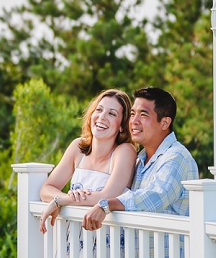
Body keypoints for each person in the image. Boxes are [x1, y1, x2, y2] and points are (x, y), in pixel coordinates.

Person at [80, 86, 198, 231]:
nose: (134, 121)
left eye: (143, 115)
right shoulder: (139, 159)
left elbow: (155, 197)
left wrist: (106, 205)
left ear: (165, 123)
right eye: (132, 113)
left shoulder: (176, 157)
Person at [38, 89, 137, 234]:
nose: (102, 117)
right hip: (72, 243)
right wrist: (67, 197)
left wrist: (61, 201)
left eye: (112, 113)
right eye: (99, 110)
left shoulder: (125, 151)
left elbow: (108, 196)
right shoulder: (78, 147)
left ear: (122, 126)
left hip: (107, 245)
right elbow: (46, 189)